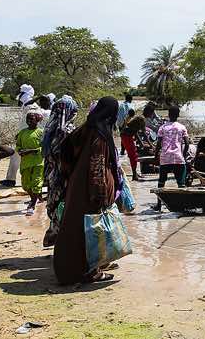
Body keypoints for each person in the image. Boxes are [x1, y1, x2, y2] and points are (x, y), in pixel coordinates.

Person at [53, 96, 123, 284]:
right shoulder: (99, 134)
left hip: (78, 185)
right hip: (90, 190)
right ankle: (88, 272)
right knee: (89, 230)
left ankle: (72, 270)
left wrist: (70, 175)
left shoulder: (85, 128)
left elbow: (65, 150)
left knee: (75, 227)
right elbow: (97, 166)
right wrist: (100, 195)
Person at [42, 96, 79, 246]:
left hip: (52, 178)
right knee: (67, 210)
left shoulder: (48, 131)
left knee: (56, 208)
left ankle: (57, 239)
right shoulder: (69, 131)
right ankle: (65, 245)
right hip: (66, 178)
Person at [153, 106, 190, 211]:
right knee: (181, 184)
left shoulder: (163, 128)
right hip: (178, 157)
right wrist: (183, 154)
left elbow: (159, 144)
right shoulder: (182, 127)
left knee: (161, 182)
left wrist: (156, 156)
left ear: (168, 115)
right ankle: (183, 205)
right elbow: (187, 143)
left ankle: (159, 205)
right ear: (178, 115)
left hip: (165, 158)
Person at [3, 84, 36, 187]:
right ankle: (12, 179)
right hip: (25, 135)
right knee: (18, 157)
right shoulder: (28, 104)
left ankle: (11, 180)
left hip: (27, 136)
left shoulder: (30, 104)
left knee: (17, 156)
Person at [16, 110, 45, 215]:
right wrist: (20, 151)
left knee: (36, 183)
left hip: (38, 162)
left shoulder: (41, 132)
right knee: (26, 185)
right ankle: (36, 198)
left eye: (31, 119)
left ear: (37, 120)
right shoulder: (22, 132)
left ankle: (32, 204)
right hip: (25, 163)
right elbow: (18, 145)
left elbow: (44, 148)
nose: (29, 121)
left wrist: (31, 151)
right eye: (27, 119)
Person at [120, 109, 144, 181]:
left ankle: (135, 173)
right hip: (126, 138)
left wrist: (141, 143)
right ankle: (134, 175)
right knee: (133, 156)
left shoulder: (132, 125)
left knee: (133, 156)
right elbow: (137, 134)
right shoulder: (132, 126)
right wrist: (141, 143)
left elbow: (136, 134)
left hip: (126, 137)